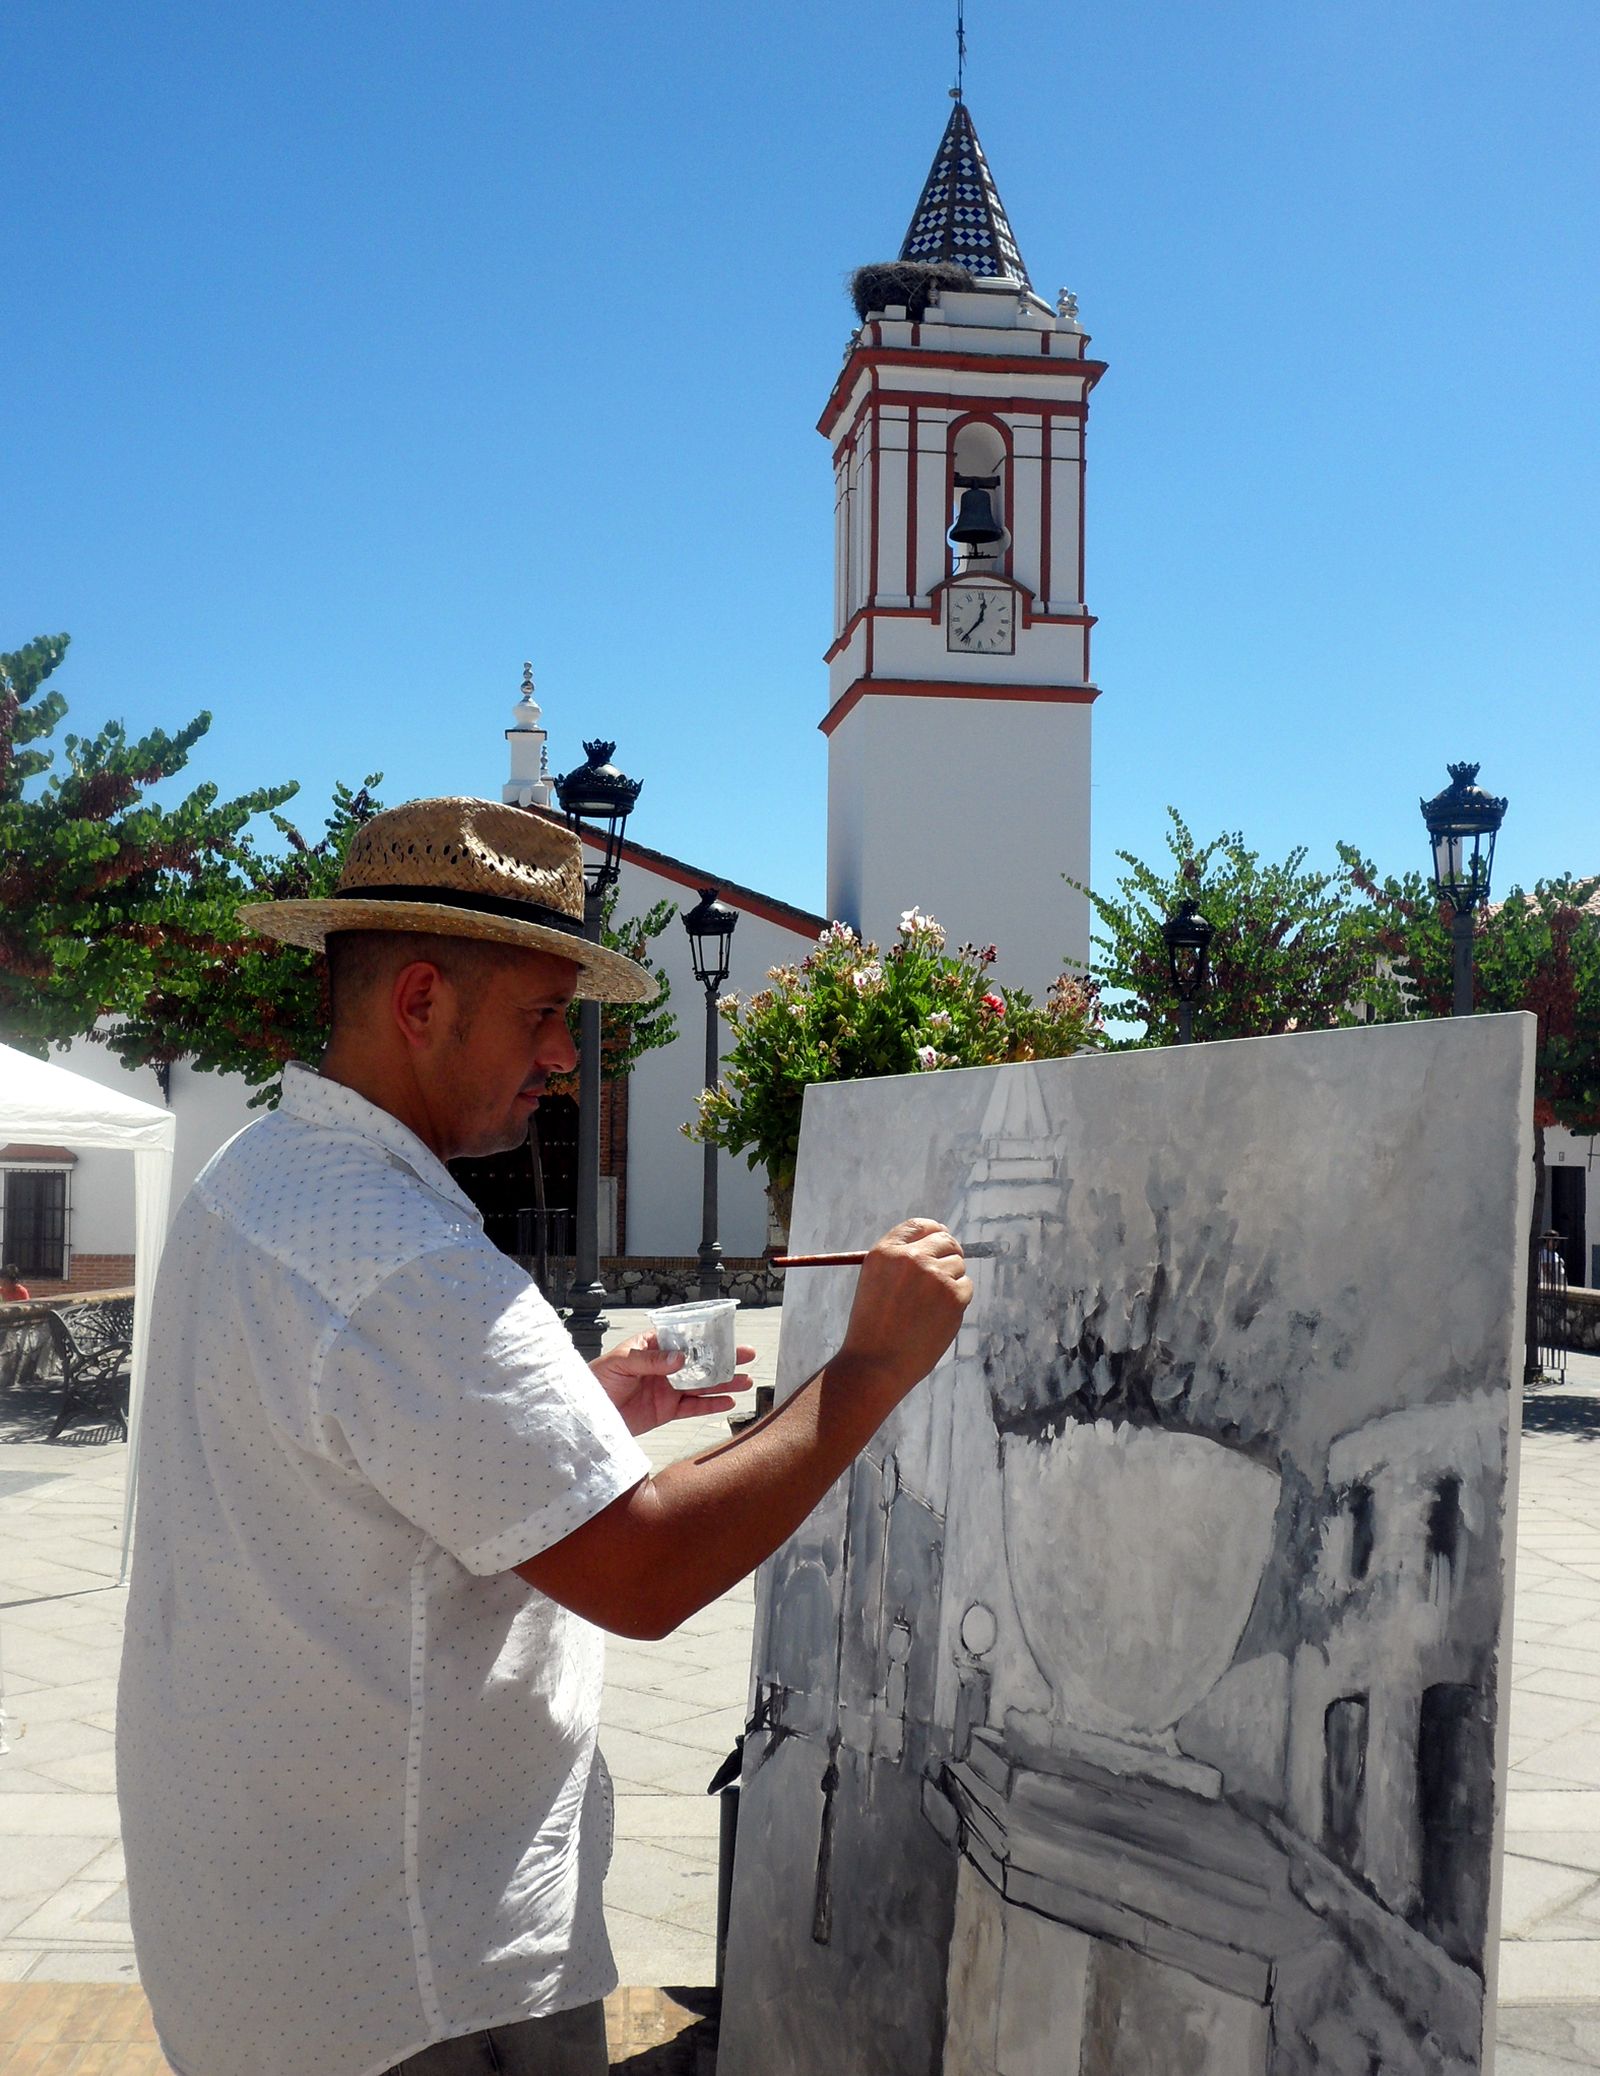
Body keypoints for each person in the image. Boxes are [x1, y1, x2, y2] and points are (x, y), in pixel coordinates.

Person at [116, 796, 971, 2076]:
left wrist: (576, 1401)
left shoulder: (256, 1174)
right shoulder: (408, 1263)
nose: (566, 1061)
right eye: (538, 1018)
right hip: (411, 1974)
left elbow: (355, 1442)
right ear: (420, 1003)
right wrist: (867, 1369)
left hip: (269, 1935)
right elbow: (642, 1573)